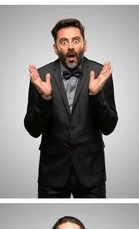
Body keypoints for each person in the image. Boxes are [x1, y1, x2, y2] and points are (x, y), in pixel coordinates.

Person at [25, 18, 117, 198]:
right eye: (64, 42)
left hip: (91, 173)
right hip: (52, 174)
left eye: (76, 40)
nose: (70, 47)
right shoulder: (41, 76)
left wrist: (96, 94)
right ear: (55, 48)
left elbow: (109, 127)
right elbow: (33, 129)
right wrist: (45, 97)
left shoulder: (100, 73)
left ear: (84, 44)